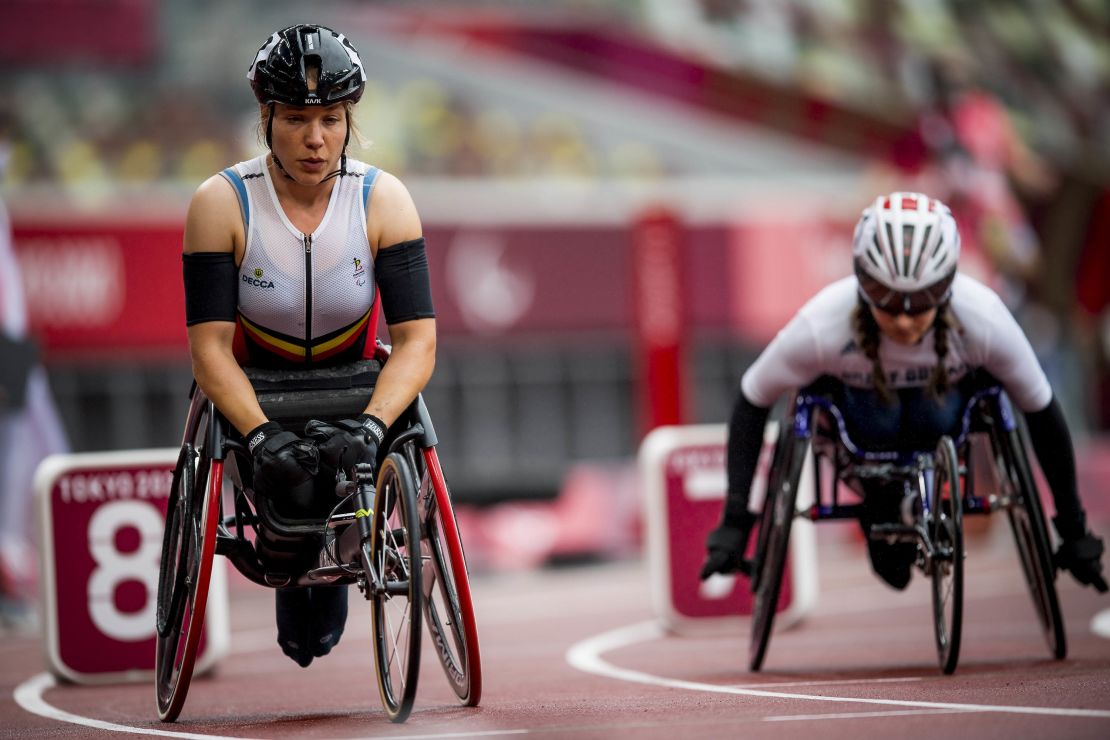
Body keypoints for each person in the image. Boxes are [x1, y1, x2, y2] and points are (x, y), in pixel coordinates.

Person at [181, 24, 436, 667]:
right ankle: (293, 564)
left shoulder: (385, 200)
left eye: (330, 118)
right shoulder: (221, 203)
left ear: (349, 119)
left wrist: (376, 426)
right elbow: (208, 350)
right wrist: (261, 435)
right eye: (295, 118)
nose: (315, 139)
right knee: (289, 517)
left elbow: (417, 342)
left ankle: (344, 554)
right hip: (260, 394)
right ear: (266, 117)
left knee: (345, 509)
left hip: (354, 388)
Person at [699, 191, 1107, 593]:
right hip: (861, 432)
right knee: (882, 414)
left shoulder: (983, 317)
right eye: (888, 301)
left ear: (947, 287)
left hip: (945, 422)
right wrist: (735, 521)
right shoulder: (821, 323)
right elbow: (753, 397)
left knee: (938, 410)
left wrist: (1073, 529)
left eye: (923, 301)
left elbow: (1039, 407)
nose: (906, 321)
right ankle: (884, 502)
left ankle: (912, 501)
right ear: (863, 283)